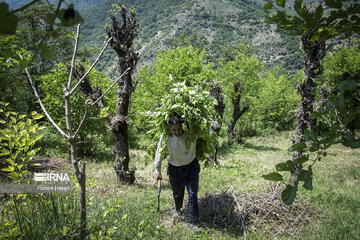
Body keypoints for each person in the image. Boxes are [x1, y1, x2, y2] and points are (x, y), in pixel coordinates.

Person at [154, 115, 202, 232]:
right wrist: (157, 170)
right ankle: (177, 209)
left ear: (183, 126)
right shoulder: (166, 136)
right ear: (170, 128)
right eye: (174, 129)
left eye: (179, 128)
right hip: (174, 169)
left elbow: (207, 132)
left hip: (191, 167)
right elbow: (159, 153)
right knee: (177, 192)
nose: (177, 132)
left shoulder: (191, 134)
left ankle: (192, 221)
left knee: (192, 194)